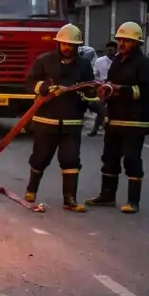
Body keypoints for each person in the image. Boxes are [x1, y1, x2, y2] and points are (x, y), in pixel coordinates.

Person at [86, 22, 149, 213]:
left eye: (127, 41)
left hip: (135, 120)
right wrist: (105, 91)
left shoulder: (146, 64)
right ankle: (107, 195)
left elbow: (146, 92)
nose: (122, 44)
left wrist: (120, 90)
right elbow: (111, 84)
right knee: (109, 158)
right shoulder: (117, 61)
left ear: (137, 43)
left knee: (132, 159)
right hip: (115, 117)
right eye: (120, 40)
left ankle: (133, 201)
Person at [23, 24, 94, 212]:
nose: (67, 47)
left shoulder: (84, 65)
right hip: (46, 120)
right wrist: (46, 88)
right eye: (64, 44)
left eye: (71, 45)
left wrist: (94, 96)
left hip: (72, 121)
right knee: (40, 158)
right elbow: (30, 82)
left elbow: (89, 89)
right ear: (58, 43)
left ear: (77, 46)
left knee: (71, 159)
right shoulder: (44, 61)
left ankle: (70, 199)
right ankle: (31, 189)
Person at [90, 41, 116, 136]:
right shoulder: (99, 61)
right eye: (108, 50)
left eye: (111, 50)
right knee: (100, 108)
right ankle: (96, 129)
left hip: (115, 88)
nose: (110, 52)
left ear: (115, 50)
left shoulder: (119, 60)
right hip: (102, 88)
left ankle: (109, 128)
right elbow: (94, 74)